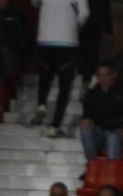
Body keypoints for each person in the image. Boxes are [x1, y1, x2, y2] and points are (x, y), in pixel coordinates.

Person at [33, 0, 88, 136]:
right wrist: (75, 27)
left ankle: (41, 104)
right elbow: (85, 13)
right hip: (67, 40)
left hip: (45, 37)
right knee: (64, 85)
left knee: (45, 75)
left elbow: (35, 3)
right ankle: (55, 125)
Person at [80, 62, 123, 161]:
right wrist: (87, 120)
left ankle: (111, 172)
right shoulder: (92, 95)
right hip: (102, 134)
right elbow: (87, 115)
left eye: (106, 75)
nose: (103, 79)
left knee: (113, 136)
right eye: (100, 75)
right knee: (85, 130)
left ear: (114, 75)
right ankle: (92, 166)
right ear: (96, 77)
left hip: (122, 135)